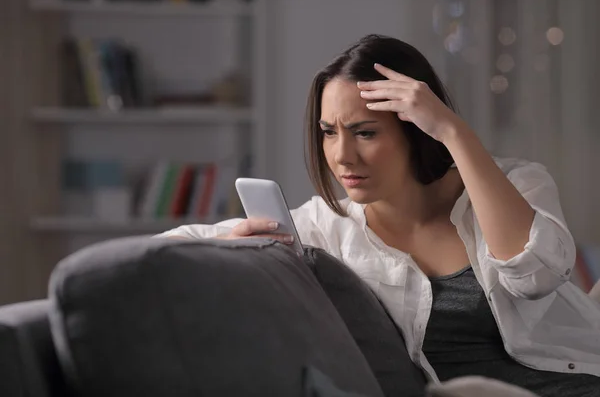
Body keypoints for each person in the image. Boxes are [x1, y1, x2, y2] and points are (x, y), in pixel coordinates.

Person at [159, 34, 600, 395]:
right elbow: (164, 249)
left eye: (365, 133)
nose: (342, 156)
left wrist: (452, 131)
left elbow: (536, 276)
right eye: (329, 133)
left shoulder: (517, 181)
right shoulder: (327, 226)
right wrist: (227, 248)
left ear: (416, 131)